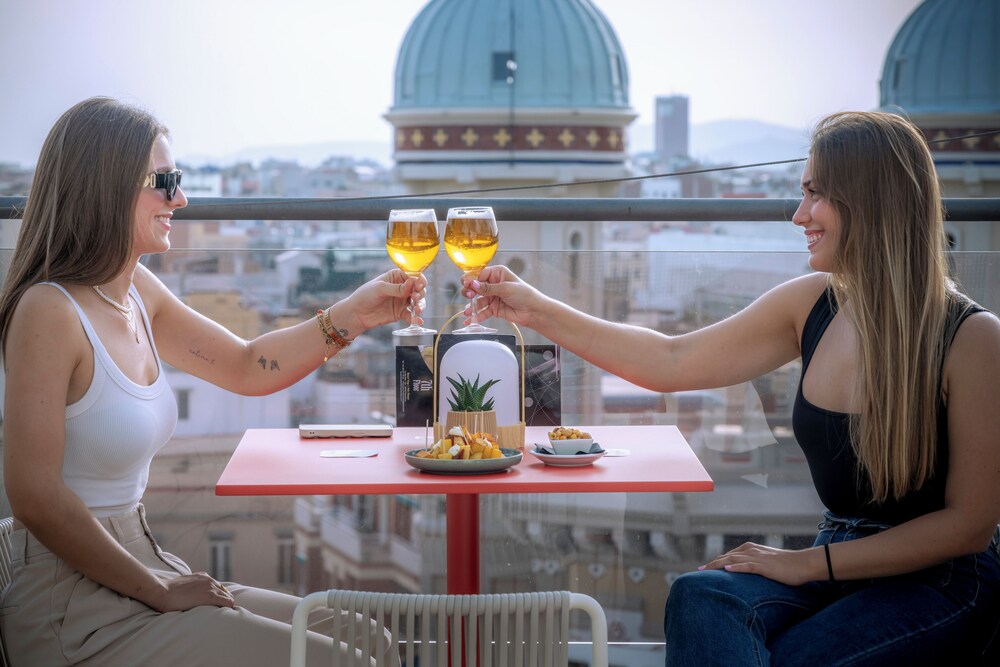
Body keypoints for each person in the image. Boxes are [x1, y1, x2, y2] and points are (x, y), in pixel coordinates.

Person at [461, 111, 1000, 665]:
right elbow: (670, 360)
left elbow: (970, 526)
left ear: (871, 200)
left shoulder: (973, 338)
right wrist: (535, 308)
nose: (799, 215)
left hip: (941, 581)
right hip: (834, 555)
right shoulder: (813, 304)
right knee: (701, 596)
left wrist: (808, 564)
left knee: (791, 657)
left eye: (816, 194)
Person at [0, 97, 421, 666]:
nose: (181, 199)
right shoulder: (49, 311)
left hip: (140, 563)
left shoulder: (134, 292)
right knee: (343, 660)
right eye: (165, 182)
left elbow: (246, 365)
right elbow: (33, 496)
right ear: (107, 186)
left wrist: (357, 314)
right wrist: (160, 590)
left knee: (370, 641)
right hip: (70, 604)